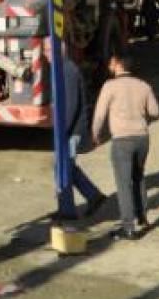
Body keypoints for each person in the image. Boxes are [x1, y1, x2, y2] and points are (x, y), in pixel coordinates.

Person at [91, 53, 159, 240]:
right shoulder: (143, 86)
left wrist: (95, 134)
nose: (110, 65)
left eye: (112, 62)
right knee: (138, 178)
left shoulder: (110, 86)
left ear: (119, 64)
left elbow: (99, 114)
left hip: (122, 140)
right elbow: (155, 111)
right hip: (142, 139)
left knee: (123, 184)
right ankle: (142, 217)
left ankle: (128, 227)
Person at [60, 51, 106, 219]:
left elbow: (71, 105)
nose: (46, 54)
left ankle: (71, 209)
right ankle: (92, 196)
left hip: (72, 131)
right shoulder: (65, 68)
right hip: (72, 129)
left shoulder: (68, 71)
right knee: (66, 166)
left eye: (49, 51)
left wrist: (62, 132)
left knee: (64, 167)